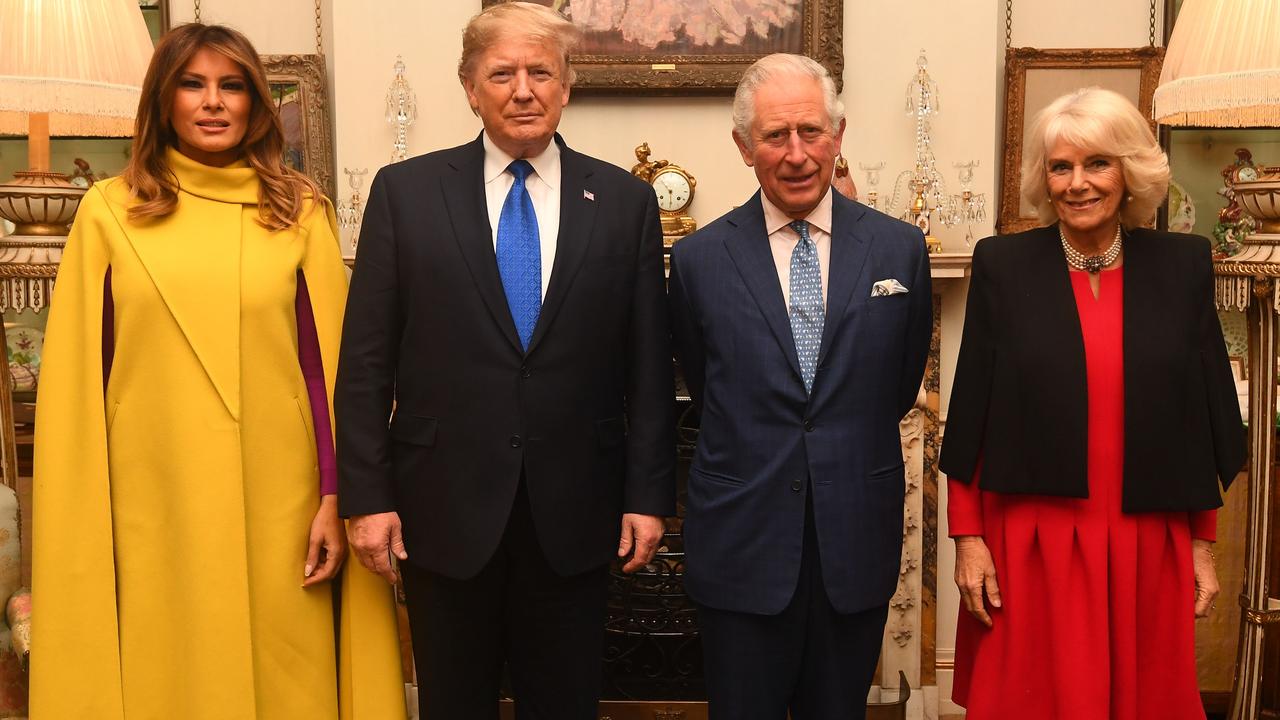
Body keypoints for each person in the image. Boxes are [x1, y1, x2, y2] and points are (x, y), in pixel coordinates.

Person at [31, 23, 405, 719]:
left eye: (231, 86)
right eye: (192, 84)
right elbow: (82, 382)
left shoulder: (300, 211)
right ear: (162, 102)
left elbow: (330, 378)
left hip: (284, 504)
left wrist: (334, 495)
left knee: (289, 677)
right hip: (152, 499)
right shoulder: (108, 213)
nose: (213, 102)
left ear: (255, 104)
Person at [335, 3, 675, 718]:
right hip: (442, 508)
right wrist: (367, 498)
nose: (523, 89)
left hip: (578, 512)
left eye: (540, 71)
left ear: (566, 84)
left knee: (566, 704)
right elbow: (365, 363)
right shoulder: (406, 196)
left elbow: (647, 367)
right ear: (469, 87)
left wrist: (648, 495)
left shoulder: (624, 202)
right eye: (502, 73)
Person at [939, 87, 1245, 719]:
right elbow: (971, 415)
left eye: (1097, 164)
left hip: (1147, 539)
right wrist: (968, 539)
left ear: (1129, 171)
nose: (1077, 183)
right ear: (1044, 178)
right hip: (1032, 543)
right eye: (1060, 166)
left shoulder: (1183, 265)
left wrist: (1200, 545)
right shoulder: (1005, 265)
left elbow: (1200, 415)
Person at [668, 53, 932, 720]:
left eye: (811, 132)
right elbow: (704, 382)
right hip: (741, 544)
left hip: (855, 541)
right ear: (743, 147)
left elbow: (899, 381)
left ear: (838, 135)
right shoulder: (698, 260)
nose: (796, 154)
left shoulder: (899, 250)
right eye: (775, 136)